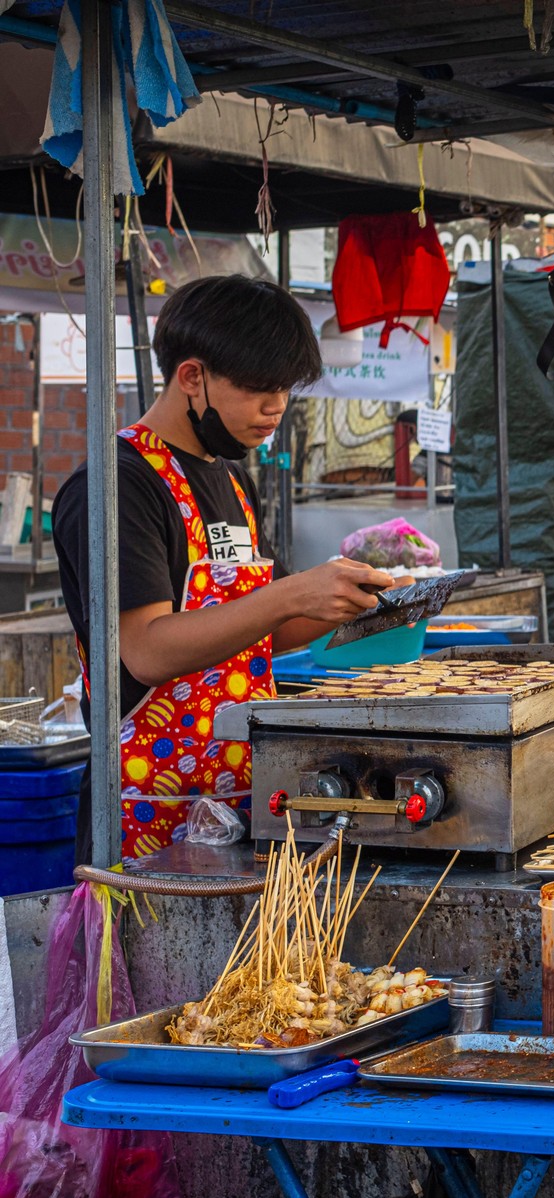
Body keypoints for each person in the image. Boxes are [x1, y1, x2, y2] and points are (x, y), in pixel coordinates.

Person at [54, 275, 395, 862]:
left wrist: (359, 599)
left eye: (285, 389)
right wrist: (291, 594)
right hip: (145, 819)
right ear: (192, 376)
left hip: (238, 796)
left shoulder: (232, 478)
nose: (277, 407)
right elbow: (146, 650)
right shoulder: (118, 483)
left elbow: (267, 630)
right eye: (259, 388)